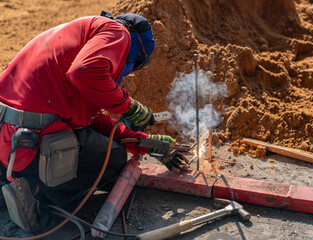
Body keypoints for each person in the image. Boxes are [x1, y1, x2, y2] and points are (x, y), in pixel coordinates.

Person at [0, 10, 188, 233]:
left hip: (7, 139)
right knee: (114, 158)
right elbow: (84, 72)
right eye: (136, 65)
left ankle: (7, 185)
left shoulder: (74, 35)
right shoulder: (119, 33)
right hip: (30, 144)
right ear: (136, 52)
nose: (127, 73)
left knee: (100, 144)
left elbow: (88, 119)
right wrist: (130, 107)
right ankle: (37, 196)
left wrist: (143, 141)